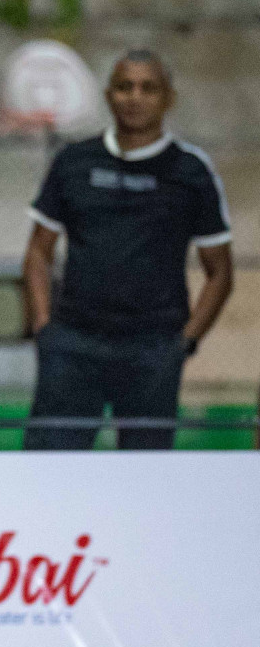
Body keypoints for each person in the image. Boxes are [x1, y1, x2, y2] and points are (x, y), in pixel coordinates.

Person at [23, 50, 233, 451]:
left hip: (153, 349)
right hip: (72, 344)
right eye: (125, 87)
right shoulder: (73, 162)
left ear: (168, 98)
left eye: (148, 88)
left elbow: (220, 272)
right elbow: (37, 251)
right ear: (108, 95)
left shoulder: (191, 172)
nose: (135, 97)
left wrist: (184, 342)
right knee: (47, 470)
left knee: (146, 475)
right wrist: (44, 327)